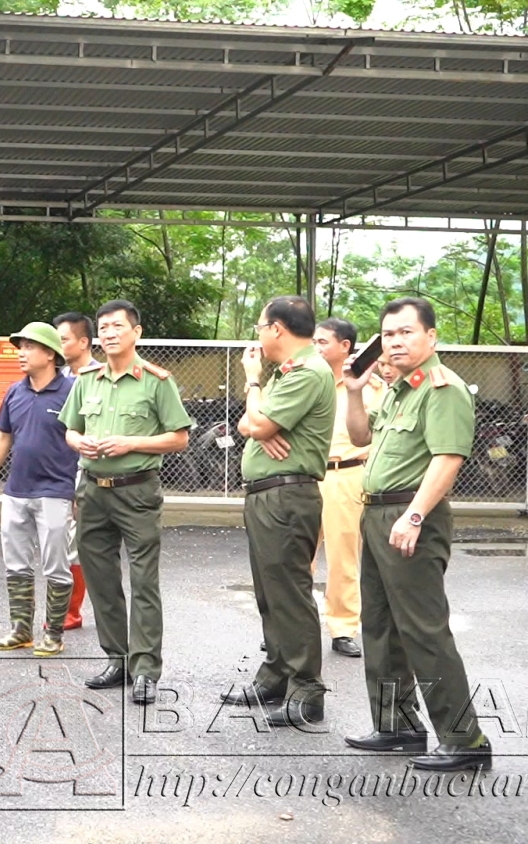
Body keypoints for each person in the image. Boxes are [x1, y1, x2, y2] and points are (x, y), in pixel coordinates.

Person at [342, 297, 492, 772]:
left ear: (431, 337)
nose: (396, 341)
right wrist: (351, 391)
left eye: (406, 332)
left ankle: (464, 739)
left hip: (410, 517)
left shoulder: (441, 388)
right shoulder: (399, 390)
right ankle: (397, 726)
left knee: (424, 631)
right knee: (381, 628)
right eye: (388, 334)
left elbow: (448, 458)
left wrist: (414, 516)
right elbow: (362, 438)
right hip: (377, 516)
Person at [59, 301, 193, 703]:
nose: (110, 333)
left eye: (118, 326)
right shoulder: (87, 379)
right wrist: (76, 441)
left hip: (137, 490)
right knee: (100, 579)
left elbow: (179, 437)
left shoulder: (156, 381)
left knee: (143, 581)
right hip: (93, 490)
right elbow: (69, 428)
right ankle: (117, 658)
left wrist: (131, 442)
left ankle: (146, 669)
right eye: (104, 327)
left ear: (136, 332)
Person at [220, 296, 334, 728]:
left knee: (289, 593)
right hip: (269, 495)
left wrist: (252, 384)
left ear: (278, 329)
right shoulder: (289, 373)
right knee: (270, 592)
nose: (258, 335)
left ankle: (307, 689)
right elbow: (248, 426)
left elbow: (260, 424)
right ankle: (276, 674)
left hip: (287, 496)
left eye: (260, 327)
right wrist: (259, 423)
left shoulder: (307, 371)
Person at [0, 323, 79, 656]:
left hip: (56, 491)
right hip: (17, 491)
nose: (21, 353)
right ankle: (21, 631)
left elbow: (85, 438)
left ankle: (54, 633)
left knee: (56, 566)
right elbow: (3, 436)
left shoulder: (72, 392)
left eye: (29, 347)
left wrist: (80, 490)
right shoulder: (14, 392)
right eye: (20, 347)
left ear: (50, 354)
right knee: (16, 565)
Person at [311, 318, 384, 658]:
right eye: (314, 341)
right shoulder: (302, 381)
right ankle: (290, 625)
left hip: (347, 476)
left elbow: (386, 430)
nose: (316, 347)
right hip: (305, 475)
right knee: (295, 558)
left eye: (323, 341)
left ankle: (342, 628)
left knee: (344, 557)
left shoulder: (371, 388)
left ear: (345, 347)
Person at [52, 312, 102, 631]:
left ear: (83, 342)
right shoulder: (56, 378)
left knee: (77, 543)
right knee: (55, 542)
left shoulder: (101, 377)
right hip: (54, 472)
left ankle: (72, 612)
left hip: (85, 472)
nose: (58, 345)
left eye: (63, 339)